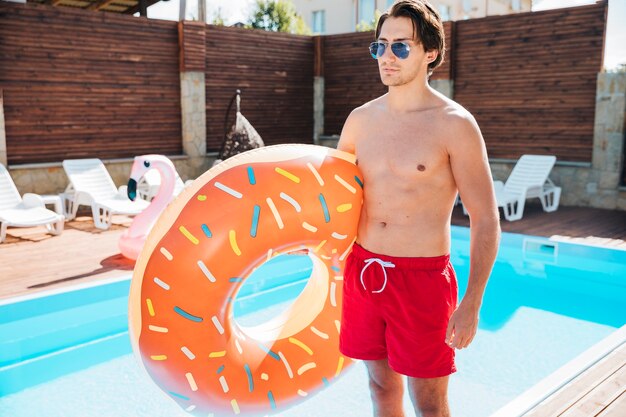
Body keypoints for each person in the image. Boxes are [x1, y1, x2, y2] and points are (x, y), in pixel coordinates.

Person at [337, 1, 501, 416]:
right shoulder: (360, 120)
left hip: (422, 281)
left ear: (430, 52)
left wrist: (472, 303)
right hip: (363, 271)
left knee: (429, 402)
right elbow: (337, 199)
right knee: (379, 387)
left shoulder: (454, 125)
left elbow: (485, 219)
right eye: (380, 46)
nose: (387, 57)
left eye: (401, 47)